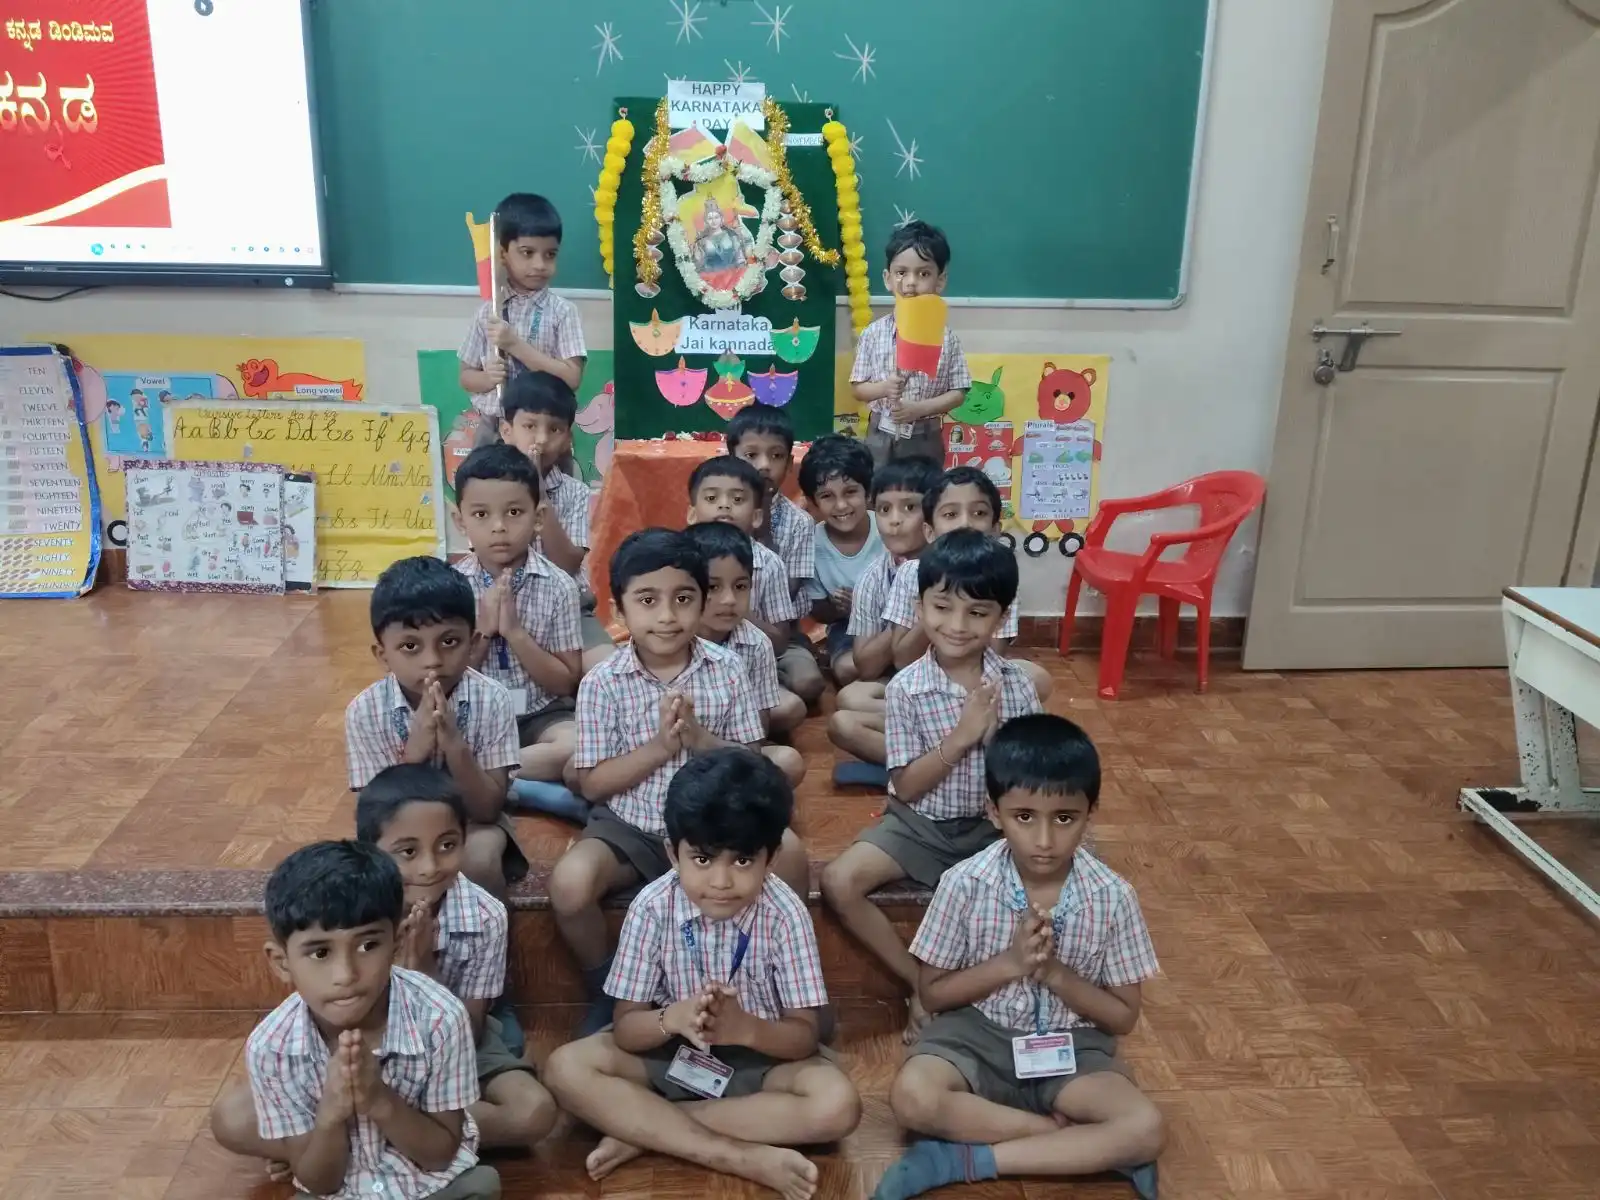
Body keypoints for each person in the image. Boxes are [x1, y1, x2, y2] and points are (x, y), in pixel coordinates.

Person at [544, 749, 859, 1199]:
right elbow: (628, 1030)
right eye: (703, 860)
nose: (722, 882)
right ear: (673, 854)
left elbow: (804, 1037)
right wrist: (672, 1018)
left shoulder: (785, 913)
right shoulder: (652, 908)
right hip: (672, 1052)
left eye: (743, 861)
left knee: (837, 1106)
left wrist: (745, 1029)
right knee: (564, 1068)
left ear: (771, 858)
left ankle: (646, 1130)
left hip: (761, 1060)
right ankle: (741, 1156)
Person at [874, 715, 1162, 1200]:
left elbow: (1124, 1017)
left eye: (1064, 818)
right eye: (1024, 817)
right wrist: (1010, 964)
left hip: (1071, 1049)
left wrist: (1053, 973)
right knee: (912, 1096)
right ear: (994, 812)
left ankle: (966, 1159)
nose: (1044, 840)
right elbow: (933, 993)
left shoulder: (1113, 897)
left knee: (1146, 1127)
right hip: (975, 1037)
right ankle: (1066, 1142)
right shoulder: (964, 883)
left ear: (1091, 812)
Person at [550, 529, 811, 1036]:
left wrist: (698, 738)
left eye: (683, 598)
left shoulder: (726, 668)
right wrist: (661, 747)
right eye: (648, 601)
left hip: (717, 825)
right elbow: (593, 784)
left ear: (702, 602)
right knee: (569, 884)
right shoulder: (602, 682)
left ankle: (787, 984)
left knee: (793, 855)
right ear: (619, 610)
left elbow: (751, 761)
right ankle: (609, 989)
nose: (667, 616)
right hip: (630, 827)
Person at [821, 530, 1043, 1043]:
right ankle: (919, 983)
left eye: (977, 612)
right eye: (942, 607)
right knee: (839, 882)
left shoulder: (1016, 686)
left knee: (1039, 893)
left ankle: (983, 991)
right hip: (918, 824)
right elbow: (906, 786)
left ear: (1001, 617)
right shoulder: (907, 688)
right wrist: (962, 737)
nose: (957, 626)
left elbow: (1030, 780)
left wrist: (1001, 746)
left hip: (991, 832)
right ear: (920, 607)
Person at [209, 840, 500, 1200]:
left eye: (367, 946)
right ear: (281, 962)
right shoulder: (271, 1047)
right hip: (342, 1190)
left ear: (397, 943)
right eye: (320, 952)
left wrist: (378, 1099)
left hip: (429, 1184)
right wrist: (330, 1115)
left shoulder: (441, 1018)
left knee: (479, 1186)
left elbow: (440, 1156)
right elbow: (320, 1182)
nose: (345, 974)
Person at [356, 766, 558, 1153]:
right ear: (370, 850)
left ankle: (371, 1134)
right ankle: (406, 1132)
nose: (430, 867)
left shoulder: (485, 915)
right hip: (366, 1039)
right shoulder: (352, 906)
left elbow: (472, 1030)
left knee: (533, 1111)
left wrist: (424, 973)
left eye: (447, 845)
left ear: (465, 838)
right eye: (408, 852)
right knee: (239, 1117)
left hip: (456, 1042)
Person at [345, 556, 527, 903]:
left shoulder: (493, 699)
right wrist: (416, 749)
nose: (432, 660)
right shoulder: (364, 711)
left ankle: (490, 933)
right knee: (377, 868)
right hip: (399, 830)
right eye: (410, 646)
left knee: (480, 859)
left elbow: (487, 809)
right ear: (383, 655)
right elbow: (375, 818)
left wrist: (454, 743)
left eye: (449, 642)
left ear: (473, 643)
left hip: (473, 824)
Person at [451, 445, 583, 813]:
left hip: (541, 715)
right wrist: (483, 632)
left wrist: (515, 633)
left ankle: (489, 781)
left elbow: (565, 682)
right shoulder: (452, 586)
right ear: (461, 521)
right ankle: (522, 787)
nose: (498, 527)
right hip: (474, 713)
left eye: (513, 512)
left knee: (578, 746)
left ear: (538, 518)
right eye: (481, 514)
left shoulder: (559, 586)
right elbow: (449, 678)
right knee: (436, 740)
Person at [883, 466, 1053, 700]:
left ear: (995, 530)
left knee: (1037, 678)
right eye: (950, 514)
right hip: (922, 685)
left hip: (977, 685)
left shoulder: (999, 577)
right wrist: (936, 603)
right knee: (854, 701)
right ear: (930, 532)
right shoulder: (911, 574)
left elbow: (991, 658)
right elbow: (902, 660)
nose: (965, 524)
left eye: (979, 513)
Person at [828, 456, 943, 784]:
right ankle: (939, 763)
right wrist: (904, 616)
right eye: (883, 509)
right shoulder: (874, 577)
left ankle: (915, 764)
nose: (894, 521)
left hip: (959, 683)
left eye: (910, 508)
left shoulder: (956, 566)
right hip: (903, 683)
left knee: (1033, 678)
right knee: (848, 705)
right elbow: (866, 666)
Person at [496, 370, 615, 671]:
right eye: (530, 426)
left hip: (571, 609)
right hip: (507, 607)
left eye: (554, 429)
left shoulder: (574, 492)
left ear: (567, 439)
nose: (541, 439)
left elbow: (567, 564)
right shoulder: (489, 489)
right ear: (507, 431)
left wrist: (538, 491)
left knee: (608, 670)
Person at [684, 521, 806, 785]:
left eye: (740, 586)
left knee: (788, 762)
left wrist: (707, 741)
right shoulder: (672, 637)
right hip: (670, 754)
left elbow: (756, 736)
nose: (729, 600)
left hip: (726, 752)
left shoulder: (757, 644)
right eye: (713, 587)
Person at [685, 455, 806, 719]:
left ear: (756, 516)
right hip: (686, 676)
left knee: (790, 708)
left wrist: (739, 613)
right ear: (692, 513)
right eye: (712, 498)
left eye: (737, 500)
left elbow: (780, 641)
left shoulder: (770, 564)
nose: (724, 506)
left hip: (748, 672)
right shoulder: (678, 560)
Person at [458, 193, 586, 440]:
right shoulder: (488, 312)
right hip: (494, 427)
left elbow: (572, 378)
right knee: (484, 467)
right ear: (502, 254)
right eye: (527, 253)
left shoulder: (563, 312)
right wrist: (487, 378)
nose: (540, 265)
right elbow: (466, 376)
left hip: (545, 430)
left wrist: (514, 345)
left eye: (550, 254)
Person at [725, 405, 826, 710]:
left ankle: (763, 684)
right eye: (751, 455)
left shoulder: (800, 523)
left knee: (809, 683)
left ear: (789, 464)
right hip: (722, 629)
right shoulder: (720, 515)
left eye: (776, 455)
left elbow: (785, 593)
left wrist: (764, 528)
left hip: (782, 634)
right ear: (731, 457)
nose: (764, 466)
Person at [850, 220, 970, 468]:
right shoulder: (873, 334)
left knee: (924, 489)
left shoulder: (946, 338)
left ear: (940, 281)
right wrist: (884, 388)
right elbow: (858, 388)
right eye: (901, 272)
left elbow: (959, 392)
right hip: (880, 433)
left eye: (923, 274)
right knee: (879, 487)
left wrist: (920, 408)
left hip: (925, 435)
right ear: (888, 278)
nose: (911, 282)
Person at [797, 434, 883, 688]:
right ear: (812, 503)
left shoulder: (888, 530)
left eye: (850, 491)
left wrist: (868, 605)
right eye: (827, 496)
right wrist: (837, 607)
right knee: (846, 669)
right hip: (847, 626)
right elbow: (819, 612)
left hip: (897, 622)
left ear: (868, 492)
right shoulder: (810, 544)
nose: (841, 505)